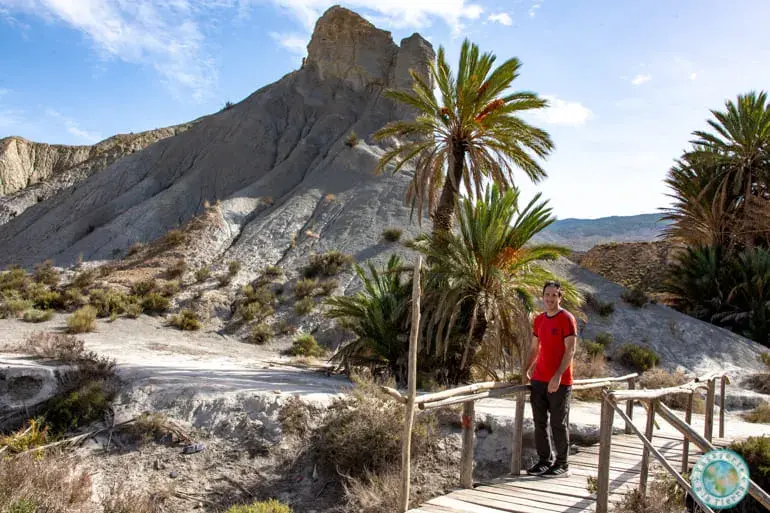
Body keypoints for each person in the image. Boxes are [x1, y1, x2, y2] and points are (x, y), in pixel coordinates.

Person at [525, 280, 577, 478]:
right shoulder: (539, 320)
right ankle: (544, 460)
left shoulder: (567, 318)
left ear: (560, 297)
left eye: (554, 295)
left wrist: (558, 376)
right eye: (547, 295)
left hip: (560, 381)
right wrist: (526, 369)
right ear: (542, 296)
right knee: (539, 422)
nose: (550, 299)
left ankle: (562, 463)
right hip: (539, 379)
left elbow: (570, 350)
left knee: (558, 423)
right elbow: (534, 347)